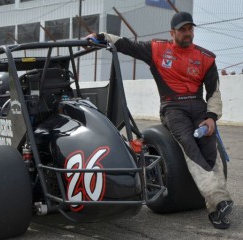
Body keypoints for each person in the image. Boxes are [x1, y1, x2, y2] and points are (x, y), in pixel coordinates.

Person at [86, 11, 233, 229]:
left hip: (199, 108)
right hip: (173, 108)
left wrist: (211, 118)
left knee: (210, 149)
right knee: (190, 146)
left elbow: (214, 93)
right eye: (182, 30)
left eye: (190, 29)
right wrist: (101, 37)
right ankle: (219, 200)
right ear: (172, 32)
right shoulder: (157, 49)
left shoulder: (206, 57)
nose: (187, 33)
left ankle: (218, 205)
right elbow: (126, 45)